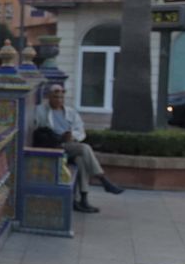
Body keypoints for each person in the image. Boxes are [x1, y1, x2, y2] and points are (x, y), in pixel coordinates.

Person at [32, 83, 124, 213]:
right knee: (85, 149)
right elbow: (39, 128)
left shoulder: (70, 112)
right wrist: (58, 136)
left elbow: (81, 131)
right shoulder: (41, 110)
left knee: (81, 159)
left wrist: (72, 136)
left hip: (70, 144)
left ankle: (82, 200)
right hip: (55, 145)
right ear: (49, 97)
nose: (59, 100)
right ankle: (103, 179)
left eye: (61, 97)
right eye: (55, 97)